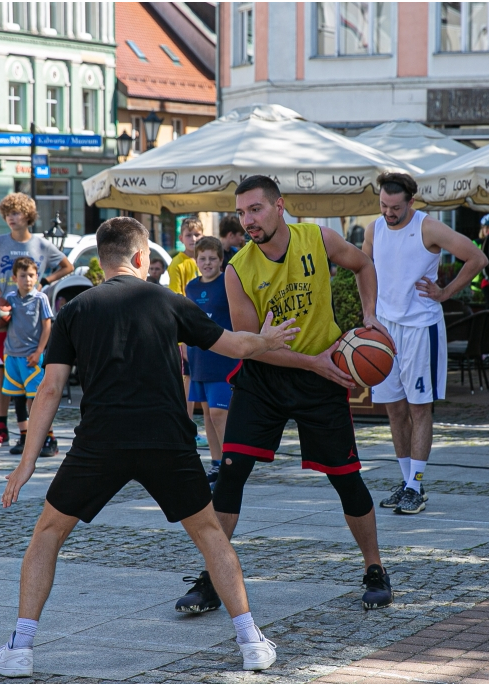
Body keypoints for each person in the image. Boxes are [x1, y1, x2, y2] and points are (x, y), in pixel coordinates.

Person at [0, 217, 299, 677]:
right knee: (211, 536)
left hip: (100, 443)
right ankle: (251, 642)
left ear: (102, 259)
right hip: (167, 441)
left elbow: (49, 391)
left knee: (46, 536)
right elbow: (232, 345)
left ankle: (20, 650)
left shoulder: (74, 310)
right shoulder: (170, 300)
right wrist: (266, 339)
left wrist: (26, 465)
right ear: (140, 259)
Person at [176, 174, 395, 616]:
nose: (248, 220)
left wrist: (369, 319)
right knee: (231, 473)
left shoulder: (317, 238)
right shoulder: (238, 270)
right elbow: (253, 344)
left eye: (255, 209)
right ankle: (211, 578)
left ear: (279, 207)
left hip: (322, 378)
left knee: (346, 477)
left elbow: (364, 266)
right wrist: (310, 360)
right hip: (265, 378)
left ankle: (375, 569)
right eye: (241, 213)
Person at [363, 172, 487, 516]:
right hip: (386, 329)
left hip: (421, 327)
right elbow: (363, 269)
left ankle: (416, 485)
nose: (389, 213)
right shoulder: (374, 228)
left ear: (411, 203)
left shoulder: (428, 227)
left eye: (395, 207)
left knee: (420, 408)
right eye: (384, 206)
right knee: (394, 408)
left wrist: (445, 293)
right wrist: (368, 312)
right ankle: (407, 483)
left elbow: (477, 258)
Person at [0, 192, 73, 452]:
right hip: (4, 314)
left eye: (15, 213)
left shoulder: (39, 244)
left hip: (30, 317)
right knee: (2, 370)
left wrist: (45, 282)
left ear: (27, 216)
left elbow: (67, 266)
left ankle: (41, 435)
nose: (11, 218)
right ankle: (1, 427)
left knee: (32, 379)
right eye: (7, 214)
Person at [184, 236, 237, 485]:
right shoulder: (191, 288)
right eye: (202, 258)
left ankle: (230, 464)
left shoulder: (228, 283)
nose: (207, 263)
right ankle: (216, 464)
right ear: (196, 260)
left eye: (212, 258)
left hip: (222, 358)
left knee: (219, 413)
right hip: (198, 357)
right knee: (206, 413)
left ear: (221, 260)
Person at [0, 257, 56, 456]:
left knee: (36, 400)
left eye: (31, 275)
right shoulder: (9, 299)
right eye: (23, 276)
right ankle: (24, 437)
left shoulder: (41, 298)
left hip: (32, 357)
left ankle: (49, 438)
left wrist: (39, 351)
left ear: (37, 276)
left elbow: (47, 325)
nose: (28, 279)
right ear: (15, 277)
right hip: (12, 356)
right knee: (18, 398)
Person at [168, 216, 205, 433]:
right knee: (187, 379)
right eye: (189, 235)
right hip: (187, 330)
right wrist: (181, 339)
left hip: (203, 328)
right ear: (181, 238)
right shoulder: (177, 264)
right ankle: (187, 424)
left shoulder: (205, 259)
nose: (193, 238)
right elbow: (175, 299)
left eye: (197, 234)